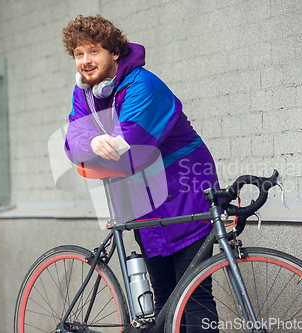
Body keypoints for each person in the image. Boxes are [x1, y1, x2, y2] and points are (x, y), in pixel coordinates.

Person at [62, 15, 218, 332]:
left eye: (93, 51)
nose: (85, 61)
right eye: (79, 54)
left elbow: (130, 148)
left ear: (114, 52)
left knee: (194, 295)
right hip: (143, 197)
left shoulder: (143, 87)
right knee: (162, 301)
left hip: (185, 192)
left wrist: (92, 147)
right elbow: (71, 142)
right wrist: (92, 140)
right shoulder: (86, 93)